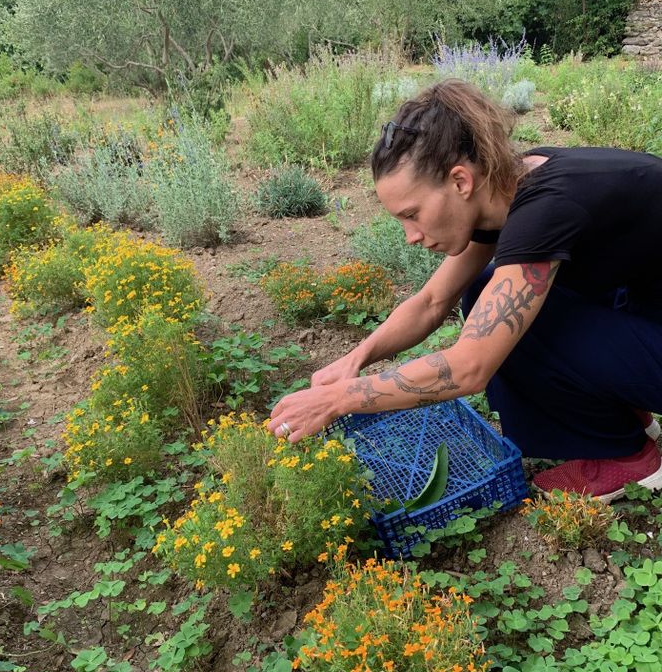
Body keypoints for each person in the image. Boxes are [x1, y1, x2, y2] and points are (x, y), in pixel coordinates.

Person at [268, 78, 662, 503]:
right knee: (483, 291)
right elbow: (431, 301)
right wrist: (355, 358)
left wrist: (337, 400)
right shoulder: (506, 189)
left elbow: (469, 367)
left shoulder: (547, 208)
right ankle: (623, 416)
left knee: (511, 327)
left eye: (412, 214)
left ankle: (628, 458)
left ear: (460, 181)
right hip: (644, 308)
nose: (410, 236)